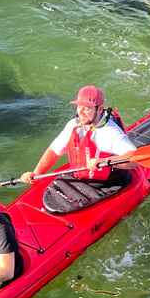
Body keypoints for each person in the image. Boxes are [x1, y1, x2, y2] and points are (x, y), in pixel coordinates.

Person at [19, 85, 137, 214]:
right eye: (79, 106)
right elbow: (54, 150)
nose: (81, 112)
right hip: (79, 176)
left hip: (107, 183)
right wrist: (36, 174)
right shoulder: (73, 125)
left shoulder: (110, 133)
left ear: (100, 109)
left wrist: (105, 161)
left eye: (87, 108)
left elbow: (134, 159)